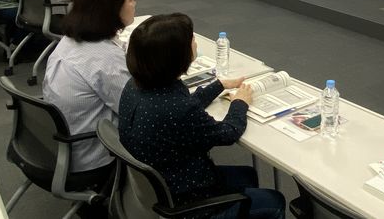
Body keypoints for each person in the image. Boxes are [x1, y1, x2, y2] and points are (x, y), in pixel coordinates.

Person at [120, 14, 285, 219]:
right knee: (274, 201)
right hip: (188, 199)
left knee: (248, 175)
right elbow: (228, 133)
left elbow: (183, 104)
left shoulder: (136, 86)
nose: (196, 42)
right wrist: (240, 102)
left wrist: (219, 86)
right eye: (192, 39)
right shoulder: (177, 107)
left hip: (161, 184)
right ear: (176, 55)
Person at [42, 0, 136, 176]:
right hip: (94, 156)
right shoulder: (104, 58)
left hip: (64, 145)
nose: (134, 3)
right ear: (112, 10)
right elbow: (135, 109)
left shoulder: (70, 40)